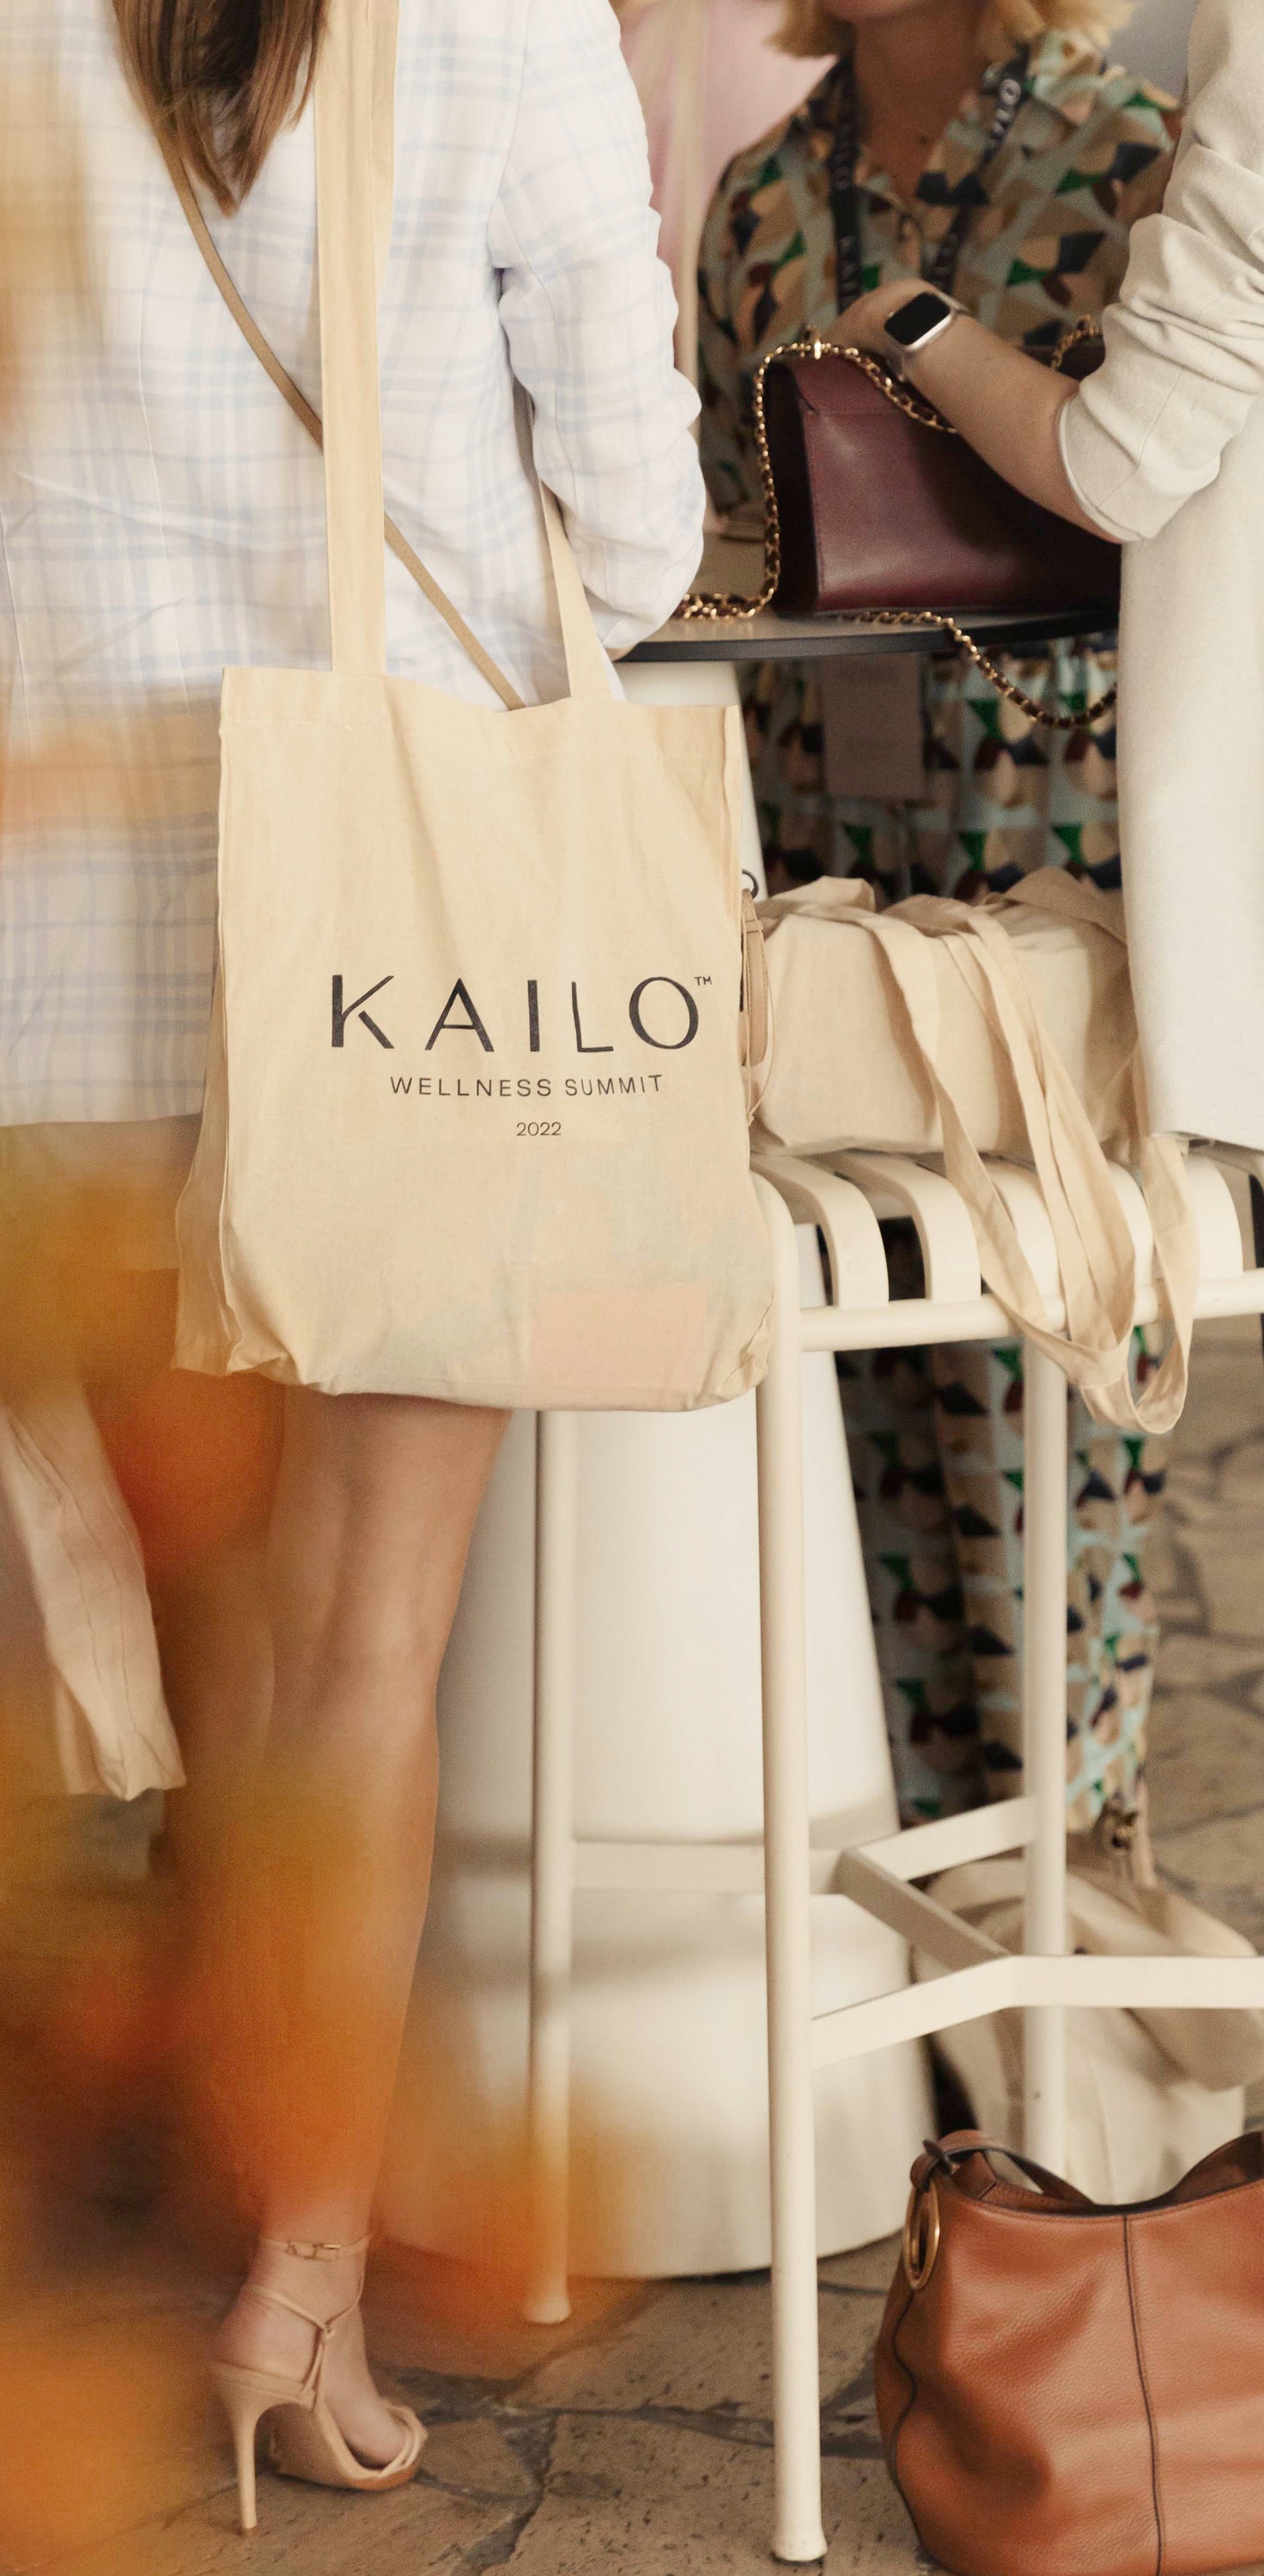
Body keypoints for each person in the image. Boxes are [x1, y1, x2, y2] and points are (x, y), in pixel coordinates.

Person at [0, 0, 702, 2521]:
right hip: (410, 917)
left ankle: (234, 2169)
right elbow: (635, 522)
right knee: (362, 1656)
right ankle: (296, 2277)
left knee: (221, 1622)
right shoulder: (508, 17)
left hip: (82, 887)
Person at [696, 0, 1182, 1828]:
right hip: (822, 841)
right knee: (846, 1354)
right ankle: (911, 1890)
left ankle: (1074, 1851)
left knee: (1059, 1354)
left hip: (1058, 853)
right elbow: (719, 507)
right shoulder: (761, 191)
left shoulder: (1131, 158)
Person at [838, 0, 1264, 1161]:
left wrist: (917, 327)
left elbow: (1122, 460)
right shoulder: (759, 182)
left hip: (1063, 760)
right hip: (830, 749)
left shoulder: (1119, 120)